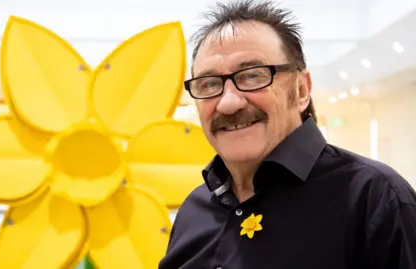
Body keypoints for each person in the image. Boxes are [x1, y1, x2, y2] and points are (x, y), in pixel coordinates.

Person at [158, 0, 416, 268]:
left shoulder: (374, 199)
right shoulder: (194, 209)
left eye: (252, 76)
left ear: (302, 90)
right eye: (210, 84)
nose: (228, 103)